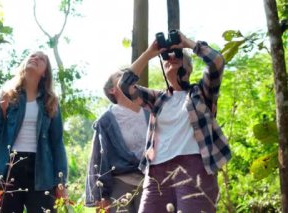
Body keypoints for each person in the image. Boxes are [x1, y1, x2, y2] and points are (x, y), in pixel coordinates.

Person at [117, 31, 231, 213]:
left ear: (189, 68)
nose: (172, 59)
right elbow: (124, 86)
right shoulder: (158, 99)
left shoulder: (202, 93)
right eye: (167, 59)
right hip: (156, 172)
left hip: (194, 169)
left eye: (178, 57)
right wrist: (150, 52)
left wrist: (187, 43)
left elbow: (217, 62)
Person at [0, 51, 68, 213]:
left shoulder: (51, 102)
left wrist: (61, 182)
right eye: (32, 56)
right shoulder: (5, 96)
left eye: (41, 59)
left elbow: (57, 144)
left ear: (44, 73)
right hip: (9, 168)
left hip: (42, 171)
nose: (35, 58)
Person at [85, 71, 149, 213]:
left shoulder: (149, 112)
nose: (126, 77)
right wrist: (102, 195)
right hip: (120, 184)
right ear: (112, 90)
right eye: (120, 76)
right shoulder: (106, 120)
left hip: (151, 183)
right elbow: (99, 158)